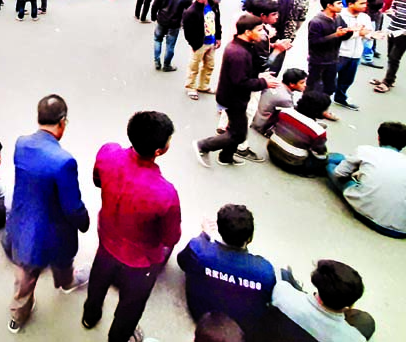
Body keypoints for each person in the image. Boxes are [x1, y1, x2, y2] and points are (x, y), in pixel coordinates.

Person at [83, 111, 180, 342]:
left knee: (97, 282)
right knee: (131, 306)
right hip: (140, 260)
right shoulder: (164, 193)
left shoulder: (108, 153)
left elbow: (97, 180)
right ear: (159, 151)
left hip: (106, 240)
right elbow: (171, 238)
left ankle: (90, 316)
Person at [5, 94, 90, 334]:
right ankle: (66, 283)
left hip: (23, 224)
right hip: (53, 230)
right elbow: (72, 207)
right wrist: (84, 221)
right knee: (63, 262)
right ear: (62, 122)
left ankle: (18, 316)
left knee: (24, 276)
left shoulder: (21, 143)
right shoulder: (63, 161)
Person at [177, 204, 276, 337]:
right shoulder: (264, 271)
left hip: (202, 316)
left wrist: (204, 235)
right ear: (250, 238)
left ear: (219, 229)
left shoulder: (199, 249)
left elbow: (182, 262)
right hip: (241, 329)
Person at [194, 16, 280, 167]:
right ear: (247, 32)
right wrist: (263, 82)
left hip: (235, 97)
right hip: (233, 99)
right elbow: (240, 82)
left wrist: (261, 74)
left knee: (236, 129)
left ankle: (225, 157)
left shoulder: (246, 46)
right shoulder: (238, 53)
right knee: (239, 134)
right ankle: (203, 145)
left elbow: (251, 69)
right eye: (259, 30)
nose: (263, 34)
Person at [326, 121, 406, 239]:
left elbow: (339, 173)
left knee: (332, 164)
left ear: (379, 138)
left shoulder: (364, 150)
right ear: (405, 144)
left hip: (363, 212)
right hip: (402, 230)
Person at [272, 260, 375, 341]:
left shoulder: (282, 292)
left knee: (285, 274)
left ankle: (301, 289)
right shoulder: (354, 338)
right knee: (366, 321)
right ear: (347, 307)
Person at [307, 0, 353, 117]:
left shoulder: (338, 18)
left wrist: (349, 32)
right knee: (314, 87)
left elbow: (343, 35)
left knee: (329, 87)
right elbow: (314, 42)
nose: (341, 6)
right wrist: (336, 35)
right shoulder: (316, 21)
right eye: (338, 3)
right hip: (318, 61)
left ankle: (323, 110)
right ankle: (307, 111)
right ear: (329, 5)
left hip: (333, 59)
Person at [267, 91, 331, 177]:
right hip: (292, 164)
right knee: (333, 158)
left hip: (272, 151)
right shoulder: (318, 131)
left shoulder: (284, 111)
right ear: (319, 110)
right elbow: (319, 153)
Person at [335, 0, 379, 111]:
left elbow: (367, 32)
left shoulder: (365, 17)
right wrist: (358, 33)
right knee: (328, 79)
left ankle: (340, 97)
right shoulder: (340, 16)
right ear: (350, 4)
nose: (365, 6)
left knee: (347, 79)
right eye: (361, 3)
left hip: (355, 53)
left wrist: (372, 35)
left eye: (366, 3)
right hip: (340, 53)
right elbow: (341, 35)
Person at [182, 0, 221, 101]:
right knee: (194, 66)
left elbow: (217, 22)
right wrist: (193, 44)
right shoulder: (191, 11)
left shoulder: (213, 5)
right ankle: (191, 87)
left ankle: (203, 85)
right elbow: (187, 31)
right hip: (199, 43)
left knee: (209, 65)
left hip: (212, 41)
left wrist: (218, 38)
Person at [151, 0, 192, 72]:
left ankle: (157, 61)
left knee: (157, 40)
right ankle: (167, 65)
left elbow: (155, 6)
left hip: (162, 20)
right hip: (175, 23)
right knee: (170, 44)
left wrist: (153, 16)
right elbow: (188, 11)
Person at [251, 68, 307, 136]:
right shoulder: (286, 99)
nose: (305, 85)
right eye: (302, 83)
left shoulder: (273, 83)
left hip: (255, 117)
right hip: (261, 126)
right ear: (292, 84)